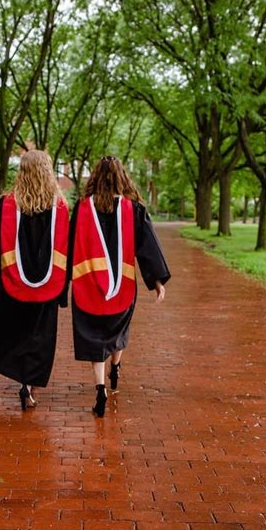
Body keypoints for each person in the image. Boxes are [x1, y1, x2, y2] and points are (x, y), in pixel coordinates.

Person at [0, 150, 69, 410]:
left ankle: (22, 381)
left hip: (12, 284)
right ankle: (31, 387)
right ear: (48, 171)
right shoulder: (59, 208)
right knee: (40, 336)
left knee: (16, 332)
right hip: (48, 288)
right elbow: (67, 249)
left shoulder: (8, 204)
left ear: (21, 172)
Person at [68, 156, 170, 418]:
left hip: (88, 285)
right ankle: (117, 365)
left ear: (95, 178)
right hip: (122, 288)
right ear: (122, 177)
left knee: (94, 336)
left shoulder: (82, 208)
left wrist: (62, 281)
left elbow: (70, 245)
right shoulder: (134, 209)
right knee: (117, 330)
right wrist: (156, 280)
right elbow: (147, 247)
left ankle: (100, 386)